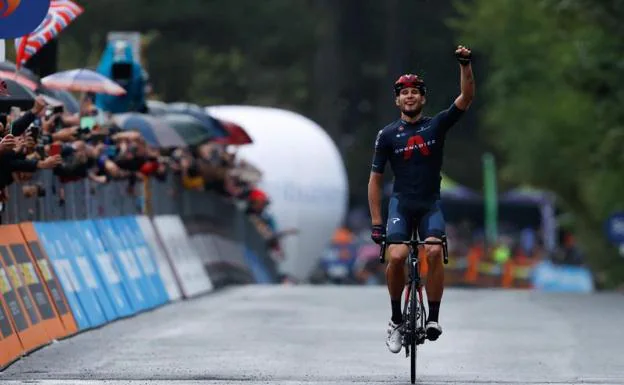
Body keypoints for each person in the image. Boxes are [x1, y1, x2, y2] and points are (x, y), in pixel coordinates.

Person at [367, 45, 475, 354]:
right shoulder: (387, 135)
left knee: (432, 250)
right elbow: (375, 180)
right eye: (404, 93)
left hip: (430, 203)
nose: (410, 96)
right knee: (398, 256)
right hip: (401, 203)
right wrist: (377, 222)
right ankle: (396, 319)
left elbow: (466, 99)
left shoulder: (436, 125)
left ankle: (434, 318)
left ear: (423, 98)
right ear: (397, 100)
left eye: (415, 91)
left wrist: (465, 65)